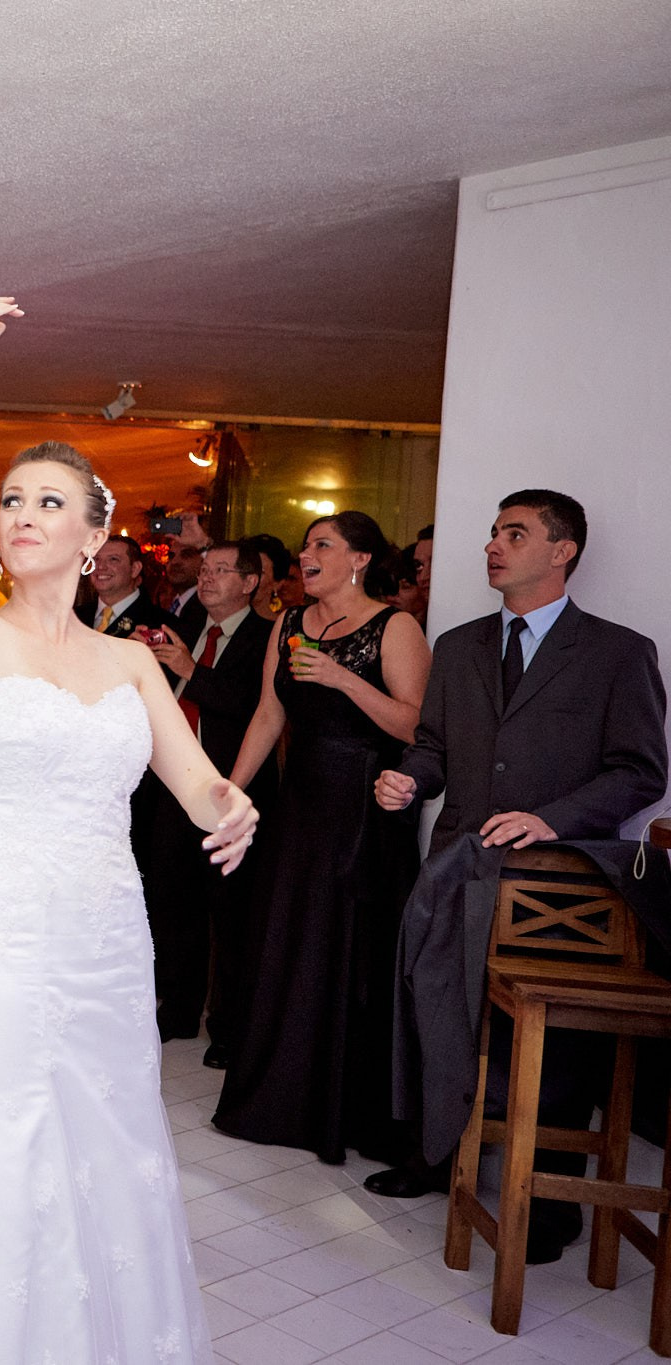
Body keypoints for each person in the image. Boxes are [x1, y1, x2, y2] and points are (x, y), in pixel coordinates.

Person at [0, 299, 254, 1364]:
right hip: (2, 928)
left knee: (105, 1132)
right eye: (12, 497)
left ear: (94, 535)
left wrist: (231, 808)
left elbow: (196, 781)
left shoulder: (127, 664)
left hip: (106, 935)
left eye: (50, 500)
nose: (22, 512)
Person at [366, 491, 666, 1264]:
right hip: (459, 870)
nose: (494, 545)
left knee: (555, 1043)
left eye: (515, 533)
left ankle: (553, 1201)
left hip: (561, 887)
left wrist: (552, 818)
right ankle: (433, 1158)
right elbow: (432, 745)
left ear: (562, 551)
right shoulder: (461, 645)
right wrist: (411, 780)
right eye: (494, 531)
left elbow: (641, 771)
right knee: (437, 1008)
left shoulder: (618, 652)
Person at [213, 511, 431, 1165]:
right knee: (287, 946)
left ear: (360, 558)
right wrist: (232, 788)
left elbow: (416, 723)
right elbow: (268, 713)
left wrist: (343, 679)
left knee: (350, 956)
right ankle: (279, 1098)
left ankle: (351, 1110)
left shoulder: (396, 627)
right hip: (301, 808)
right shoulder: (288, 624)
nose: (307, 554)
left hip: (364, 812)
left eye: (323, 545)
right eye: (306, 545)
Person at [141, 542, 277, 1065]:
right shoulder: (190, 625)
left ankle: (228, 1027)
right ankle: (176, 1009)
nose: (209, 578)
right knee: (174, 899)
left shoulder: (267, 636)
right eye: (204, 570)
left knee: (232, 912)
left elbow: (252, 707)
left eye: (222, 570)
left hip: (231, 788)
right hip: (174, 785)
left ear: (250, 582)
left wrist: (189, 668)